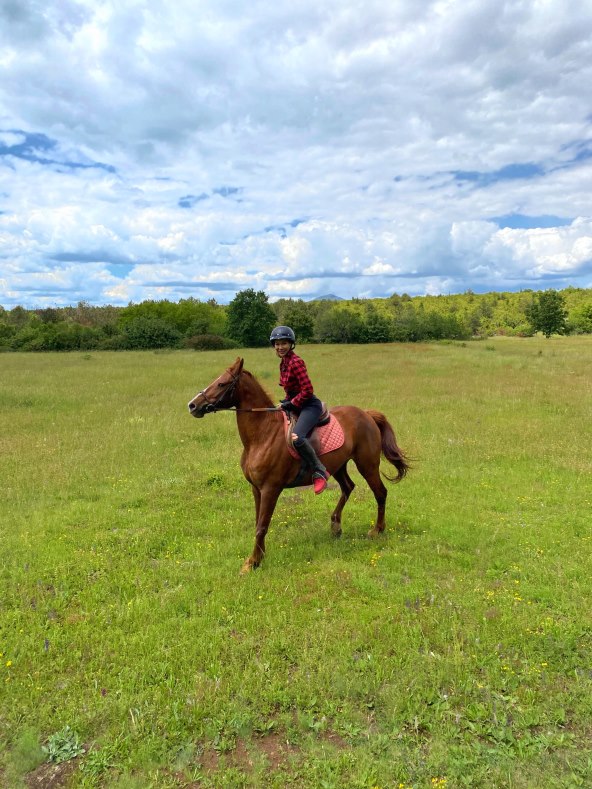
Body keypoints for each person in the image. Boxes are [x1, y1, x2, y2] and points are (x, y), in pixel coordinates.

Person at [270, 325, 330, 494]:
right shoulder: (283, 363)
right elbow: (290, 389)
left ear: (291, 344)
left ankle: (319, 471)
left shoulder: (296, 362)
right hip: (296, 403)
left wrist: (292, 403)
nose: (280, 347)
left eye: (284, 343)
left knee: (297, 438)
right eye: (277, 344)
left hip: (309, 406)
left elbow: (307, 390)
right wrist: (285, 402)